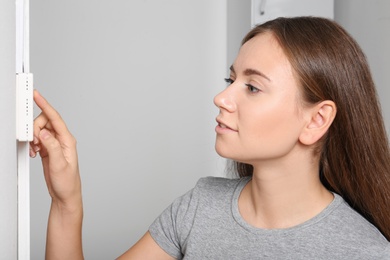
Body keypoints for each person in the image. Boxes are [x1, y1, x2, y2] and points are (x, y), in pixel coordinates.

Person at [30, 16, 390, 259]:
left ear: (316, 120)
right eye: (229, 81)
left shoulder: (363, 251)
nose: (222, 98)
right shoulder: (199, 207)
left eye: (251, 86)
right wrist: (66, 202)